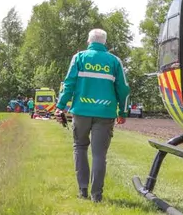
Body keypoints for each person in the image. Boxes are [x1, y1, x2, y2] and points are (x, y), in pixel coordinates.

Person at [56, 28, 130, 203]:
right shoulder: (114, 61)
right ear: (104, 43)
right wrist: (123, 111)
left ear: (89, 41)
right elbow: (124, 88)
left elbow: (69, 84)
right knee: (99, 155)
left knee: (80, 147)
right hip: (105, 113)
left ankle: (82, 191)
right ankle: (97, 195)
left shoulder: (79, 58)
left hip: (81, 112)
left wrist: (60, 107)